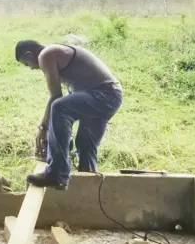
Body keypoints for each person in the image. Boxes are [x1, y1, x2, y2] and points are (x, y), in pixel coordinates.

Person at [15, 40, 123, 190]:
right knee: (85, 144)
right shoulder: (59, 56)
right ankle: (87, 189)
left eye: (27, 64)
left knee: (59, 107)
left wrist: (43, 127)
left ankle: (56, 173)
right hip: (111, 96)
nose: (31, 68)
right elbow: (71, 102)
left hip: (103, 94)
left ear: (29, 54)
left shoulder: (46, 55)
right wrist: (60, 138)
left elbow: (56, 97)